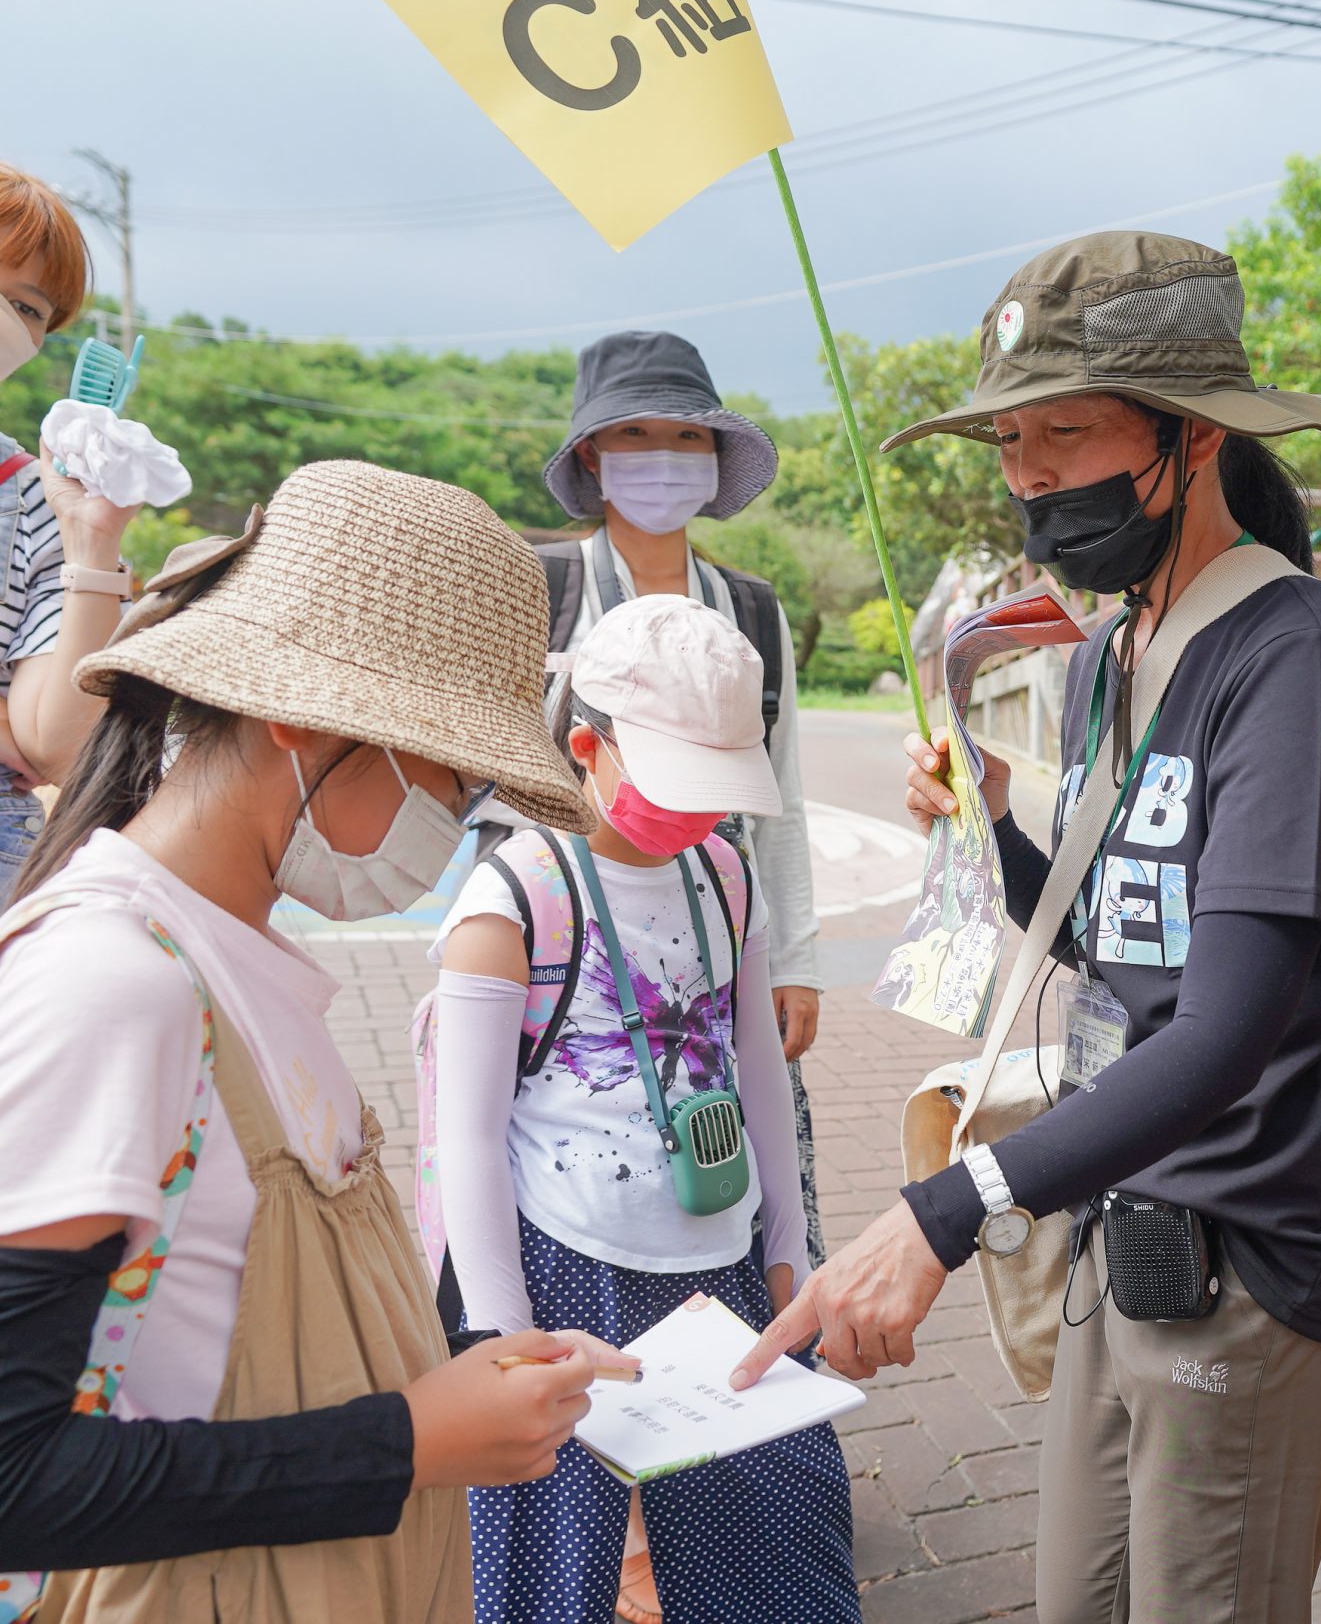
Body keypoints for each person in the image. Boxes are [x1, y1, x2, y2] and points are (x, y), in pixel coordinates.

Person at [737, 233, 1321, 1623]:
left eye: (1066, 428)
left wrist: (946, 1212)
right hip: (1128, 1227)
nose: (1030, 470)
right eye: (1007, 438)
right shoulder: (1111, 655)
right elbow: (1106, 946)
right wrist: (995, 814)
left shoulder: (1295, 659)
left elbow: (1228, 1030)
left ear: (1190, 437)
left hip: (1265, 1255)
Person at [0, 460, 628, 1623]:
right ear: (297, 712)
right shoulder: (110, 983)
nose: (454, 813)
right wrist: (403, 1441)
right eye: (449, 766)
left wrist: (447, 1386)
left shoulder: (237, 963)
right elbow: (16, 1481)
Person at [434, 593, 856, 1624]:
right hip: (567, 1259)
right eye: (678, 786)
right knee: (553, 1563)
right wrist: (501, 1327)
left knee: (775, 1539)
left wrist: (787, 1238)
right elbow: (469, 1137)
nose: (698, 816)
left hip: (720, 1258)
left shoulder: (725, 873)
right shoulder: (513, 899)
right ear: (587, 745)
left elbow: (760, 1066)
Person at [514, 329, 832, 1623]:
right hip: (580, 958)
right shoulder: (542, 594)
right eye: (639, 439)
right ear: (593, 459)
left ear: (718, 459)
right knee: (588, 1230)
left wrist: (792, 954)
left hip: (716, 937)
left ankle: (707, 1483)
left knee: (723, 1202)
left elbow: (790, 792)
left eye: (688, 438)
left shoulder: (748, 607)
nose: (663, 461)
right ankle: (623, 1530)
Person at [0, 165, 152, 892]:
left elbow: (55, 745)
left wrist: (93, 541)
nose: (5, 318)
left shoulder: (30, 494)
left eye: (27, 308)